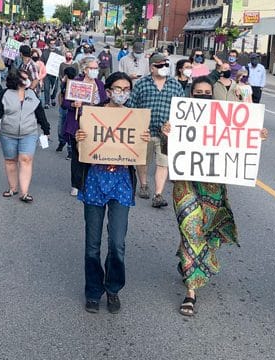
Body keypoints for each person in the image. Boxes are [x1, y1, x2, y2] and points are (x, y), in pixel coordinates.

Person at [163, 77, 268, 316]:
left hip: (212, 188)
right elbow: (169, 153)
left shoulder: (222, 119)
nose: (202, 95)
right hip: (185, 186)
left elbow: (238, 144)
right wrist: (168, 134)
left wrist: (254, 136)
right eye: (198, 92)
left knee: (204, 232)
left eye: (207, 92)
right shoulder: (180, 119)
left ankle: (187, 261)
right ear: (191, 94)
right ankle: (191, 291)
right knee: (191, 231)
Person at [74, 72, 151, 314]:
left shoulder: (134, 118)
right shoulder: (93, 115)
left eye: (126, 88)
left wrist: (144, 178)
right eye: (117, 88)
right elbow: (82, 150)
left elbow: (139, 155)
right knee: (92, 244)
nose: (122, 92)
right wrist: (80, 139)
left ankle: (113, 288)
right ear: (107, 91)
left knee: (117, 242)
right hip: (95, 183)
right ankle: (93, 291)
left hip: (121, 185)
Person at [129, 52, 185, 207]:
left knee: (163, 163)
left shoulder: (175, 85)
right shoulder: (141, 84)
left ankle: (158, 194)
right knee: (143, 161)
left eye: (166, 65)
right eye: (159, 65)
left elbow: (183, 109)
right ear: (151, 67)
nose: (163, 68)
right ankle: (144, 184)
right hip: (144, 132)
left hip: (166, 134)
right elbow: (132, 106)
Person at [0, 67, 50, 203]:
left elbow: (39, 112)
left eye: (27, 77)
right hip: (8, 133)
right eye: (24, 78)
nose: (27, 80)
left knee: (25, 159)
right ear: (16, 80)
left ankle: (24, 192)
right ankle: (13, 188)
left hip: (29, 133)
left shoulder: (32, 94)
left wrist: (46, 129)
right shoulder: (5, 94)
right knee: (10, 161)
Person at [62, 57, 106, 196]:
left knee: (91, 154)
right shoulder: (76, 83)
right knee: (77, 154)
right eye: (92, 68)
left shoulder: (100, 84)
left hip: (95, 123)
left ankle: (88, 182)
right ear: (85, 70)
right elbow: (64, 103)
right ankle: (76, 183)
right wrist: (73, 104)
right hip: (77, 122)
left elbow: (105, 102)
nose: (95, 71)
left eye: (96, 68)